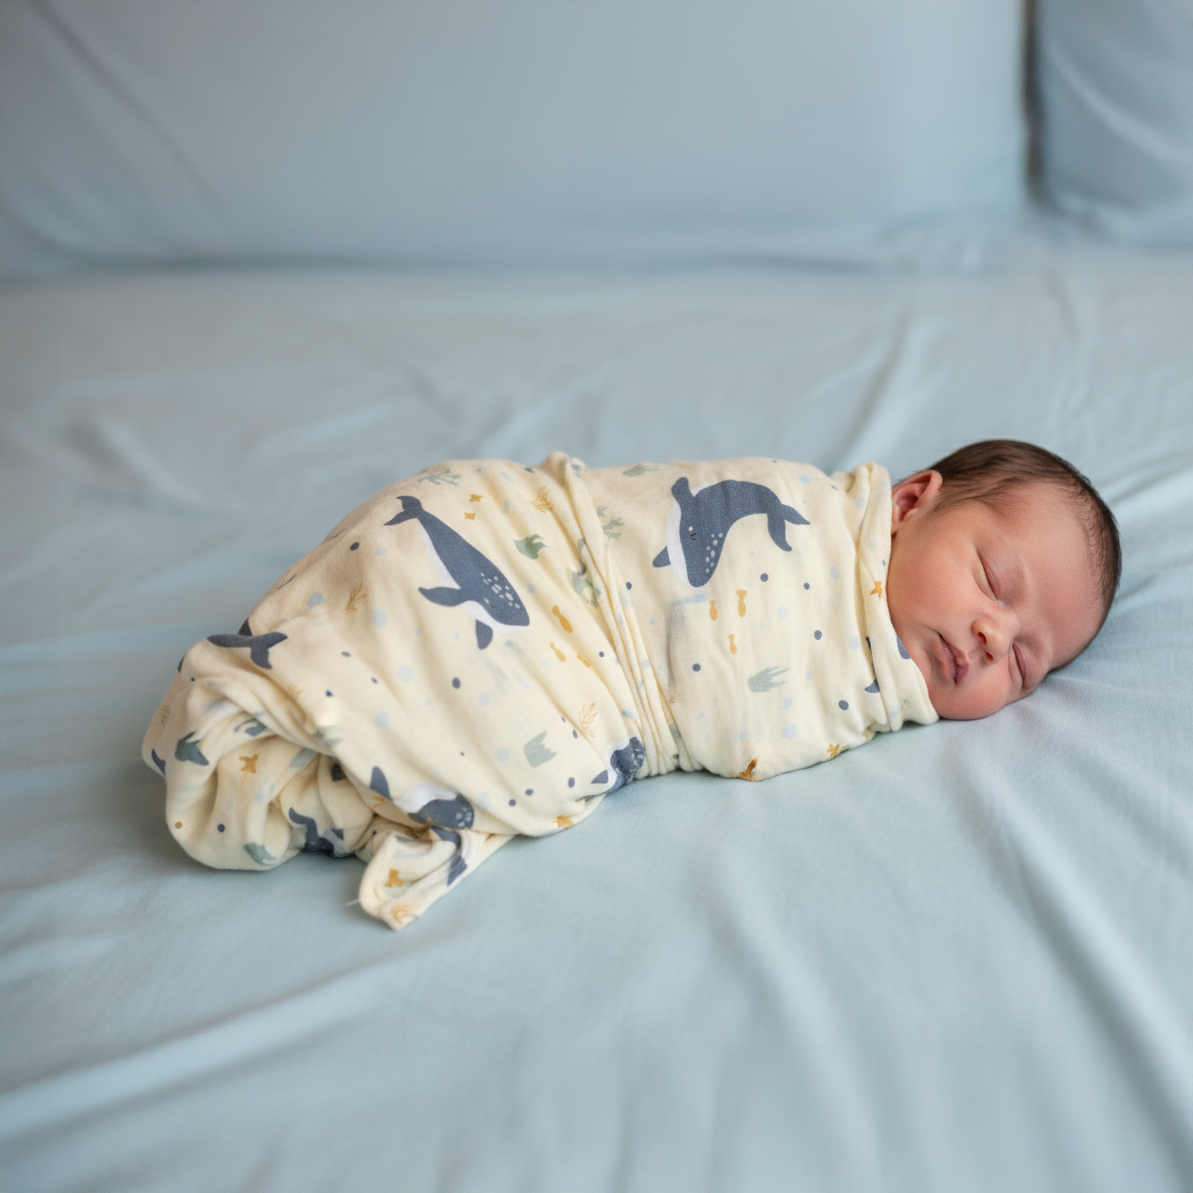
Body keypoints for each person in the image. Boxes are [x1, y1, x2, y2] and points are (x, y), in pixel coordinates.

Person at [142, 439, 1120, 929]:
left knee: (545, 764)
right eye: (993, 583)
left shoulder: (877, 690)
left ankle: (326, 752)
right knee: (544, 761)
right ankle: (303, 690)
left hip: (567, 658)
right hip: (533, 556)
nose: (992, 638)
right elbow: (639, 551)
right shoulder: (799, 514)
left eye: (1026, 661)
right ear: (909, 503)